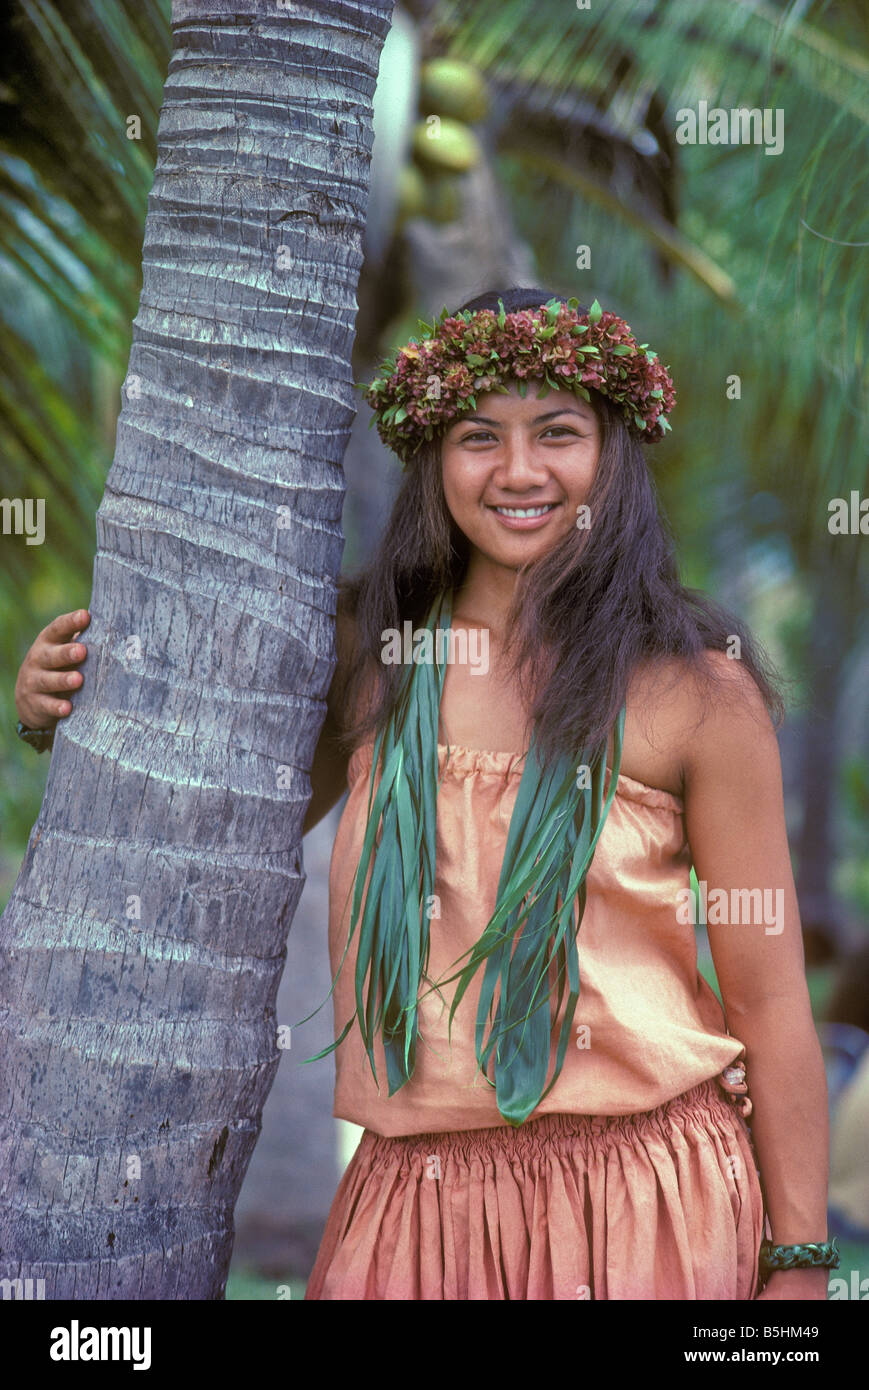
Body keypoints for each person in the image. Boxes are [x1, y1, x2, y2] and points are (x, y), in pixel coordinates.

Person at [14, 287, 837, 1302]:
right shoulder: (371, 665)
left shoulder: (691, 691)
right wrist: (66, 714)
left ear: (614, 454)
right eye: (477, 436)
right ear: (431, 457)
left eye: (559, 432)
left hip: (645, 1201)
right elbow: (199, 825)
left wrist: (798, 1267)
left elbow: (772, 1000)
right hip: (417, 1207)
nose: (518, 470)